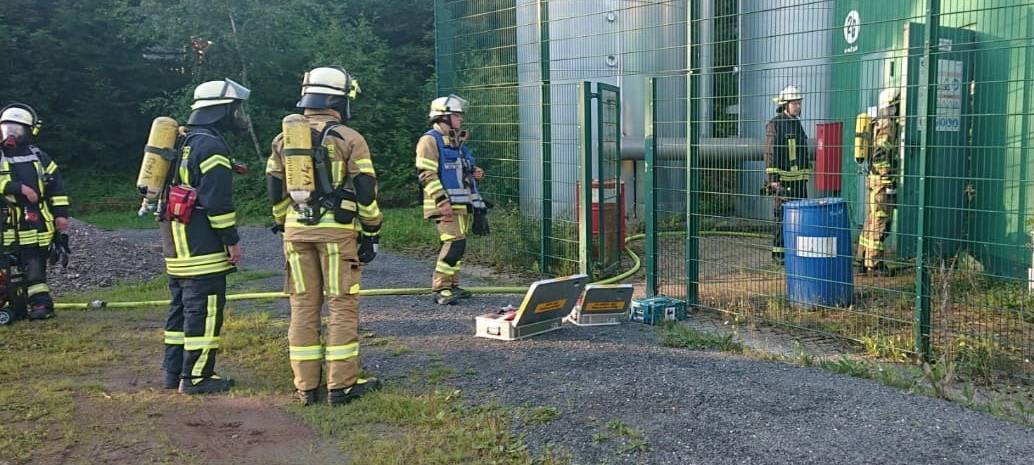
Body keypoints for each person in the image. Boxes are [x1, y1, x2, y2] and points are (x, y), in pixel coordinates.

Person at [266, 66, 383, 406]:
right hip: (337, 235)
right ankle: (341, 386)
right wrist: (371, 230)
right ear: (338, 101)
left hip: (295, 231)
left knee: (303, 306)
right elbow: (365, 189)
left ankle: (305, 386)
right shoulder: (349, 138)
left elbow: (274, 187)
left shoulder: (283, 139)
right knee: (341, 304)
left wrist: (284, 221)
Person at [160, 79, 248, 394]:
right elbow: (217, 203)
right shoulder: (211, 146)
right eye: (235, 108)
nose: (238, 115)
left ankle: (173, 373)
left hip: (176, 246)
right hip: (202, 248)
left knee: (180, 310)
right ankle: (197, 377)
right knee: (205, 311)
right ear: (221, 110)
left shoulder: (181, 140)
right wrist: (231, 240)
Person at [415, 95, 489, 305]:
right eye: (456, 115)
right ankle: (441, 288)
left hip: (461, 204)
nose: (461, 119)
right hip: (445, 205)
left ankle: (452, 284)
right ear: (443, 117)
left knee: (459, 244)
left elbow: (463, 168)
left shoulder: (457, 142)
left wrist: (475, 172)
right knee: (454, 244)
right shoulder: (430, 140)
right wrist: (442, 202)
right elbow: (426, 174)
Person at [0, 103, 70, 320]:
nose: (11, 135)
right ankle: (6, 303)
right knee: (4, 268)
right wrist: (18, 188)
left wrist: (61, 215)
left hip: (36, 224)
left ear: (29, 131)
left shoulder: (39, 158)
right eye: (7, 129)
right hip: (5, 225)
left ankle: (40, 305)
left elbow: (56, 188)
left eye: (17, 129)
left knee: (35, 266)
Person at [764, 85, 811, 264]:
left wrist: (804, 176)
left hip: (799, 182)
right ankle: (779, 254)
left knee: (800, 217)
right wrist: (773, 179)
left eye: (799, 103)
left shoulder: (797, 124)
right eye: (794, 103)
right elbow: (770, 152)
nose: (798, 106)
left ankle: (795, 251)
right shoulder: (775, 124)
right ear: (785, 104)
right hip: (783, 182)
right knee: (781, 216)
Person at [857, 87, 902, 276]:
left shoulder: (878, 121)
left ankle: (862, 258)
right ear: (893, 105)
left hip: (874, 179)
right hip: (881, 181)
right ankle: (874, 264)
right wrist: (887, 176)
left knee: (871, 219)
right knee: (880, 220)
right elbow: (880, 153)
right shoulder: (887, 124)